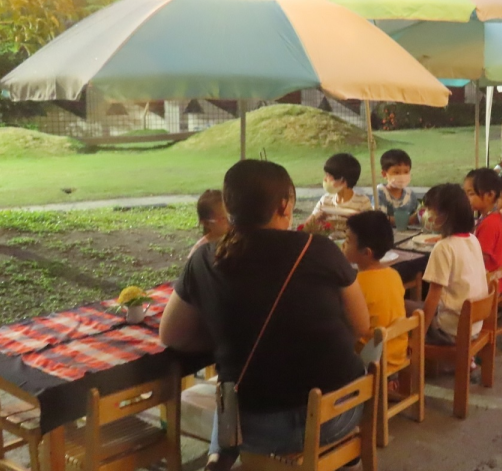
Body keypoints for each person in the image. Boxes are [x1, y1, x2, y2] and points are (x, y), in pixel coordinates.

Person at [159, 159, 370, 465]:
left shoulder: (204, 258)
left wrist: (228, 339)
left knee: (228, 393)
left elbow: (171, 334)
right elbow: (362, 325)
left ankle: (219, 454)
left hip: (252, 427)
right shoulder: (319, 249)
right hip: (335, 413)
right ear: (284, 206)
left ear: (229, 208)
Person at [415, 183, 489, 345]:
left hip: (451, 330)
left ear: (447, 215)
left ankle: (417, 360)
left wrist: (421, 334)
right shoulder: (472, 239)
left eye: (432, 210)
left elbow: (433, 296)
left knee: (405, 307)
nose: (427, 215)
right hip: (474, 324)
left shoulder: (443, 248)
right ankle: (467, 359)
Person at [344, 211, 407, 374]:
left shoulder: (356, 284)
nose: (343, 245)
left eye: (348, 241)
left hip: (372, 359)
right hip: (397, 352)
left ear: (366, 252)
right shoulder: (394, 274)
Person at [463, 168, 502, 292]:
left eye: (471, 194)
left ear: (490, 195)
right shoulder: (490, 217)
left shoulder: (490, 223)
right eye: (465, 194)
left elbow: (481, 258)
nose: (466, 199)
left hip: (488, 284)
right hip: (489, 280)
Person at [303, 153, 372, 232]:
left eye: (328, 176)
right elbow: (305, 228)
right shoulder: (325, 200)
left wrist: (358, 220)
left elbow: (370, 230)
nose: (325, 179)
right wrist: (315, 217)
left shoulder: (362, 202)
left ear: (343, 180)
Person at [373, 148, 419, 224]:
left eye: (406, 172)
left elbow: (416, 216)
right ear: (384, 174)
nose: (402, 176)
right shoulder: (380, 193)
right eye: (396, 172)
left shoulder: (410, 195)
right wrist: (407, 220)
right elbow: (379, 219)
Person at [188, 189, 230, 259]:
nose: (229, 221)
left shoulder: (234, 239)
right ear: (206, 223)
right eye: (223, 218)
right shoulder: (200, 250)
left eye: (230, 216)